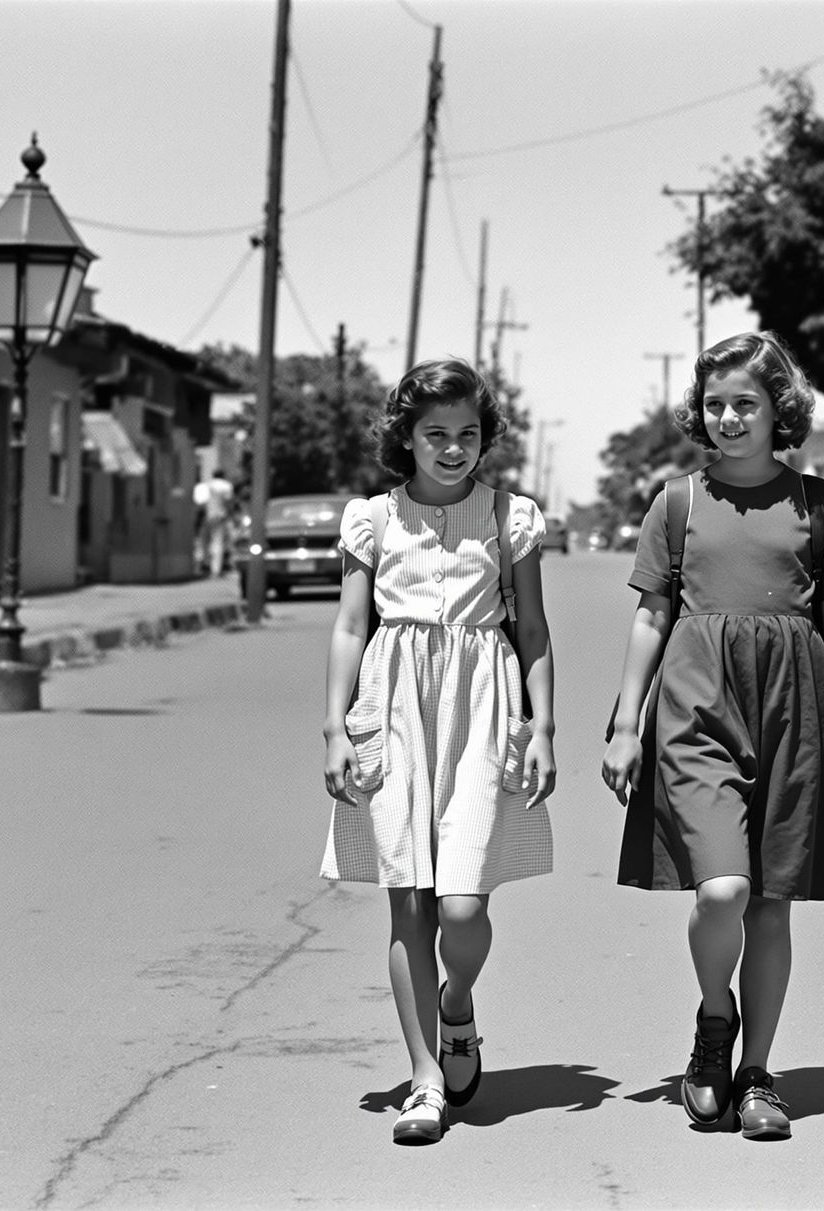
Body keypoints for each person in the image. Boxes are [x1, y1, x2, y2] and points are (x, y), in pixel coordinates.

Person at [601, 331, 824, 1141]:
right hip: (696, 704)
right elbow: (652, 613)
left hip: (793, 706)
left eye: (745, 404)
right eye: (715, 402)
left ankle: (757, 1071)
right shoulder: (676, 502)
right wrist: (625, 723)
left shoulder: (819, 504)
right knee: (721, 888)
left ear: (778, 409)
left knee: (770, 902)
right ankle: (713, 1025)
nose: (727, 417)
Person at [320, 357, 557, 1145]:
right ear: (406, 438)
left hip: (482, 708)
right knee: (407, 896)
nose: (452, 449)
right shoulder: (373, 519)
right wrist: (334, 728)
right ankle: (426, 1077)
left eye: (466, 434)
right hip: (392, 708)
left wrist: (543, 726)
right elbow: (352, 626)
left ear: (485, 438)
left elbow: (532, 630)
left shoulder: (507, 516)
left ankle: (457, 1004)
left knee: (463, 901)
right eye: (435, 435)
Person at [193, 469, 234, 576]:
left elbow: (199, 502)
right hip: (220, 515)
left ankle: (204, 564)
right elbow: (229, 502)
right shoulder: (226, 486)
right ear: (223, 475)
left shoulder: (206, 485)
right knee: (218, 541)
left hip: (206, 515)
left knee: (204, 541)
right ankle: (216, 569)